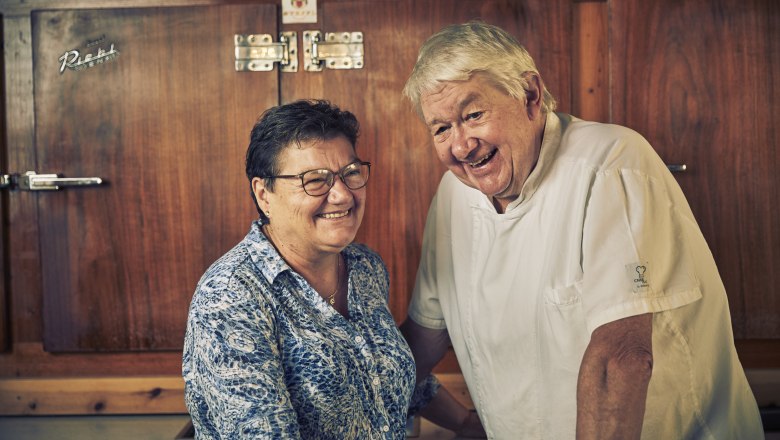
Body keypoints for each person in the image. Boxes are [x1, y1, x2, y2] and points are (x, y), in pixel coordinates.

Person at [400, 22, 764, 439]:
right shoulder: (453, 195)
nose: (462, 146)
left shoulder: (611, 164)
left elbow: (620, 360)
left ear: (530, 95)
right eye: (441, 129)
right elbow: (424, 337)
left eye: (473, 115)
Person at [183, 100, 438, 438]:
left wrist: (467, 423)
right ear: (264, 194)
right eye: (315, 180)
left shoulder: (365, 267)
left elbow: (383, 376)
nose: (342, 195)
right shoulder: (230, 297)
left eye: (351, 173)